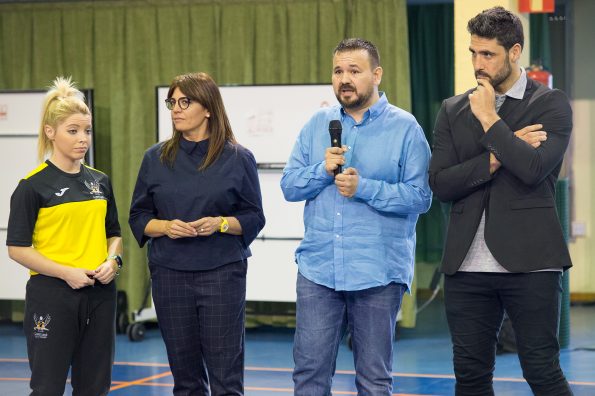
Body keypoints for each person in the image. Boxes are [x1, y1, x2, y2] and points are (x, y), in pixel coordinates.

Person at [428, 7, 573, 396]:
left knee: (542, 372)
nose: (478, 63)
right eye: (473, 53)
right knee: (471, 378)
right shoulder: (452, 110)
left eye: (487, 54)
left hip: (532, 263)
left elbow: (533, 170)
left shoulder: (551, 104)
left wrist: (491, 120)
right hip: (466, 267)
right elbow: (440, 184)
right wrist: (496, 156)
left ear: (514, 52)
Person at [281, 38, 432, 395]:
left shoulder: (406, 128)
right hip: (319, 270)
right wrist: (322, 169)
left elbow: (421, 197)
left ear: (376, 74)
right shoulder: (318, 123)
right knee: (309, 374)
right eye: (338, 71)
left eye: (354, 71)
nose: (344, 79)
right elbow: (289, 186)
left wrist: (365, 188)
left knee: (374, 379)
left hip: (377, 272)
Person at [129, 72, 265, 395]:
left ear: (208, 108)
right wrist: (165, 227)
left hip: (221, 274)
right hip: (170, 275)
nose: (176, 109)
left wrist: (219, 223)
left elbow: (254, 216)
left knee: (225, 379)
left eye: (184, 102)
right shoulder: (155, 159)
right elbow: (139, 216)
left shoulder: (238, 158)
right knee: (185, 379)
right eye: (172, 102)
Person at [6, 76, 122, 396]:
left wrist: (114, 260)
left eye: (86, 130)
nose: (82, 138)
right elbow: (16, 248)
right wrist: (66, 272)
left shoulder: (101, 182)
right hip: (53, 296)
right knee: (47, 388)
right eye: (73, 131)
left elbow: (114, 234)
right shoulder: (31, 186)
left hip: (100, 295)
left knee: (95, 387)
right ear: (50, 132)